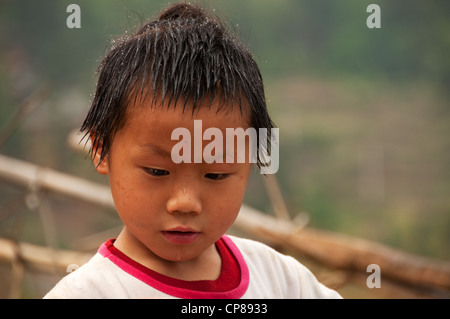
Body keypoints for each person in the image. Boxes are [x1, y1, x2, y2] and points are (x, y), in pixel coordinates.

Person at [44, 2, 341, 299]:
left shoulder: (284, 283)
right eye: (158, 171)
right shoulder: (87, 294)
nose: (185, 203)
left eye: (215, 174)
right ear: (101, 148)